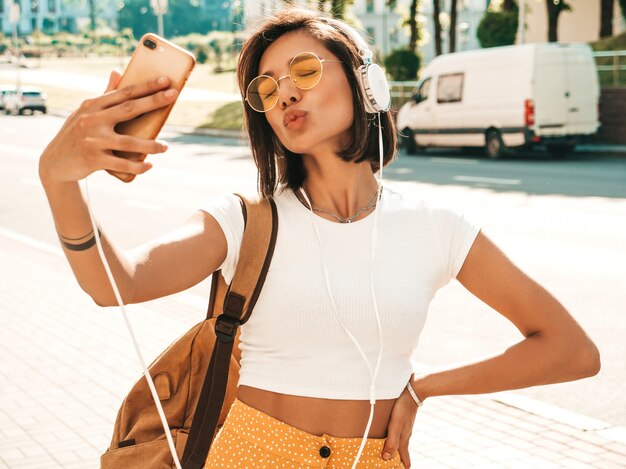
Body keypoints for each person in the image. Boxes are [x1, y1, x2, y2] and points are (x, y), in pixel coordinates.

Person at [38, 7, 600, 469]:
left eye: (304, 70)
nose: (283, 93)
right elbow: (117, 284)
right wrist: (59, 180)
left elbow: (571, 351)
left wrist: (422, 388)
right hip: (253, 455)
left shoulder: (437, 226)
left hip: (376, 459)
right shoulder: (244, 219)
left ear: (365, 81)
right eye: (266, 86)